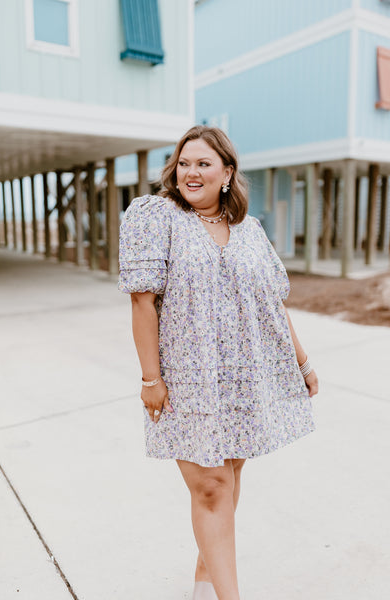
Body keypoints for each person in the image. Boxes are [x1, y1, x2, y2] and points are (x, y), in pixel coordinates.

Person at [118, 125, 318, 600]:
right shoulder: (156, 217)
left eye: (203, 163)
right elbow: (142, 303)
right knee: (209, 487)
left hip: (246, 378)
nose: (191, 172)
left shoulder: (250, 230)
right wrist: (151, 378)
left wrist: (303, 363)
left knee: (229, 476)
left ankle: (206, 578)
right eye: (184, 162)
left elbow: (274, 304)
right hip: (188, 381)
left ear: (227, 173)